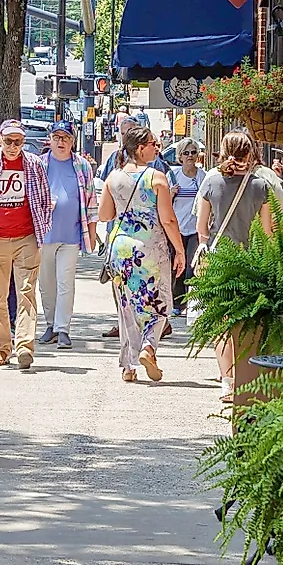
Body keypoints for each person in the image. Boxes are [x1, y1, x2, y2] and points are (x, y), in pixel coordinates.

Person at [98, 124, 185, 383]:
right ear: (140, 148)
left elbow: (104, 215)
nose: (157, 148)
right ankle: (148, 347)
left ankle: (128, 365)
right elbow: (168, 220)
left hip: (121, 249)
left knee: (127, 307)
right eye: (153, 144)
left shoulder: (113, 178)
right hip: (150, 248)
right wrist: (179, 250)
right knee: (160, 303)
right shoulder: (156, 178)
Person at [0, 119, 53, 369]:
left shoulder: (35, 164)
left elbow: (45, 198)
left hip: (26, 236)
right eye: (8, 141)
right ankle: (3, 346)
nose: (13, 146)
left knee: (27, 292)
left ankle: (25, 346)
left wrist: (42, 227)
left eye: (18, 141)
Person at [33, 119, 99, 348]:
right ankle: (50, 325)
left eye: (66, 138)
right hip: (43, 235)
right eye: (57, 137)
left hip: (71, 236)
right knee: (46, 284)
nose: (61, 142)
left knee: (66, 283)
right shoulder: (39, 164)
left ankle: (63, 328)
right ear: (49, 140)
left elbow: (91, 200)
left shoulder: (82, 166)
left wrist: (91, 235)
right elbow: (30, 198)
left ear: (73, 141)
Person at [196, 129, 283, 251]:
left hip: (219, 255)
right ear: (249, 154)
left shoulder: (210, 182)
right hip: (252, 256)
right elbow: (267, 231)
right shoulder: (260, 186)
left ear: (224, 152)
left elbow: (201, 227)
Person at [168, 139, 210, 293]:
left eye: (193, 152)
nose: (190, 156)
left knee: (192, 266)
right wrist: (170, 194)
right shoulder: (173, 175)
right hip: (176, 228)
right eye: (186, 153)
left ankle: (192, 301)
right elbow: (161, 202)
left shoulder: (203, 177)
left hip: (195, 228)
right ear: (180, 156)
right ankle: (178, 302)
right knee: (177, 265)